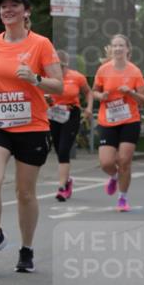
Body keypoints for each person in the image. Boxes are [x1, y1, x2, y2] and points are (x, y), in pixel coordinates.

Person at [0, 0, 63, 273]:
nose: (7, 10)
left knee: (25, 193)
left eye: (14, 5)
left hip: (32, 126)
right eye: (3, 7)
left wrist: (36, 79)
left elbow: (58, 85)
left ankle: (26, 249)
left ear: (26, 12)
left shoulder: (41, 44)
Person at [92, 34, 144, 212]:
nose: (117, 49)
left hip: (129, 120)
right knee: (106, 163)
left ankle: (122, 198)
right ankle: (114, 176)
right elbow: (94, 91)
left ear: (127, 49)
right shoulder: (103, 70)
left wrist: (131, 93)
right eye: (114, 46)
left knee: (124, 161)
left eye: (121, 45)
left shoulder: (135, 71)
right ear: (111, 49)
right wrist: (101, 96)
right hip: (107, 121)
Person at [45, 49, 93, 201]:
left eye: (62, 67)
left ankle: (62, 186)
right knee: (59, 148)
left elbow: (88, 92)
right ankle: (67, 179)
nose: (59, 70)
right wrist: (46, 100)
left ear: (66, 65)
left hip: (71, 113)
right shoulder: (49, 77)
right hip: (53, 114)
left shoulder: (77, 77)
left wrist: (89, 108)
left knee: (65, 149)